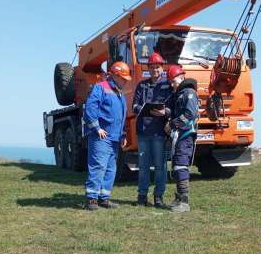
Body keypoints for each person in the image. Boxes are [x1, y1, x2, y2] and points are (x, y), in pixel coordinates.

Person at [82, 61, 131, 210]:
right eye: (124, 78)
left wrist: (123, 135)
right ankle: (91, 199)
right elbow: (90, 108)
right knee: (98, 166)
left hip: (115, 138)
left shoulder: (119, 92)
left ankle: (104, 198)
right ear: (115, 75)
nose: (125, 81)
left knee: (111, 169)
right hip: (102, 137)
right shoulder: (101, 87)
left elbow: (121, 116)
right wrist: (97, 128)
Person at [132, 52, 173, 208]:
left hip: (160, 133)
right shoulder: (141, 86)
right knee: (143, 167)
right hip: (143, 132)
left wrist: (166, 112)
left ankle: (158, 197)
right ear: (148, 68)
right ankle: (142, 196)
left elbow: (172, 107)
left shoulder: (167, 86)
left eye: (157, 67)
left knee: (160, 167)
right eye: (152, 67)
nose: (155, 69)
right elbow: (134, 106)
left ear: (162, 68)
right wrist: (141, 109)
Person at [164, 64, 199, 212]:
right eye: (170, 82)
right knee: (177, 165)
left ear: (182, 77)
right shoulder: (179, 94)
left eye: (174, 81)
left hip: (185, 135)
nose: (172, 84)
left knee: (181, 165)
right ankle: (179, 198)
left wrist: (172, 124)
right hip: (179, 136)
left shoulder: (189, 93)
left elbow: (189, 114)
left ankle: (184, 202)